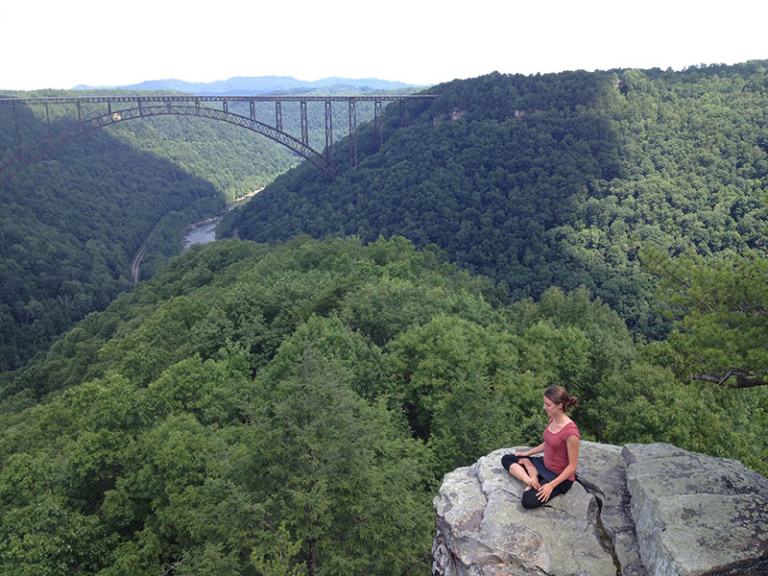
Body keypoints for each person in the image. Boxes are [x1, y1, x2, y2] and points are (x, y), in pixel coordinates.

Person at [501, 386, 580, 509]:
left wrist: (551, 486)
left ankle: (533, 474)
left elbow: (572, 467)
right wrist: (528, 453)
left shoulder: (571, 433)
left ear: (559, 406)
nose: (544, 407)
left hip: (558, 476)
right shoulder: (553, 419)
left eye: (548, 405)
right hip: (543, 464)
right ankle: (531, 480)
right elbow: (547, 444)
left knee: (528, 501)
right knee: (507, 459)